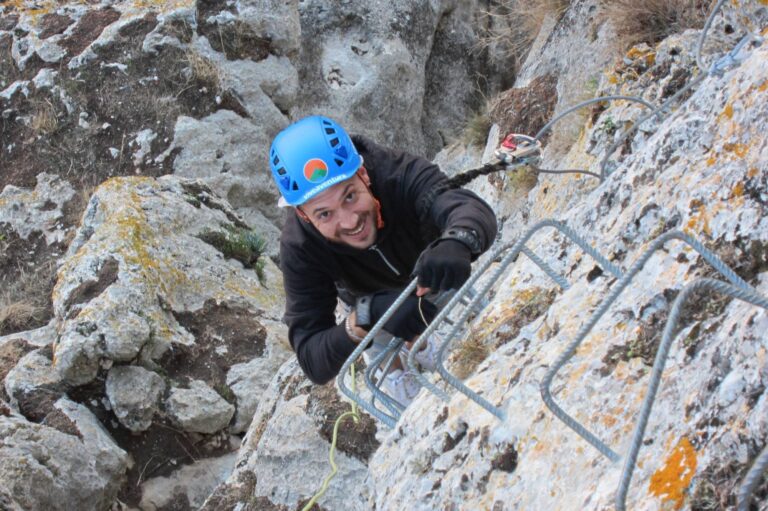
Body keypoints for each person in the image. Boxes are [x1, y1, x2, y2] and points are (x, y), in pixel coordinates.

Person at [270, 115, 497, 403]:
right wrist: (368, 313)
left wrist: (457, 240)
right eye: (324, 214)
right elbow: (313, 358)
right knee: (387, 359)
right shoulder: (300, 246)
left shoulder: (396, 172)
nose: (349, 221)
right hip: (368, 300)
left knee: (457, 347)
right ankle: (407, 385)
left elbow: (461, 205)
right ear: (303, 215)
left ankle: (430, 348)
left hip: (430, 272)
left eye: (350, 196)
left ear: (363, 174)